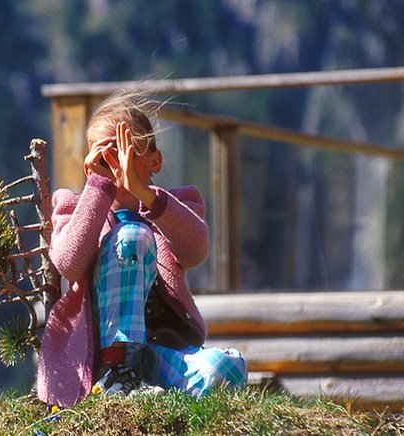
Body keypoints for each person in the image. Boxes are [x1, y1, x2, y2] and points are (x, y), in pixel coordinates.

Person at [36, 91, 247, 407]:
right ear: (89, 165)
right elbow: (68, 263)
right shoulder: (74, 207)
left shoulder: (173, 207)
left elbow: (195, 250)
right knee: (132, 235)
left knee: (227, 368)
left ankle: (144, 383)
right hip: (96, 359)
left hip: (157, 352)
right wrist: (99, 187)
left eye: (125, 151)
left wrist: (146, 195)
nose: (117, 163)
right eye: (106, 154)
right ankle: (117, 374)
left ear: (155, 161)